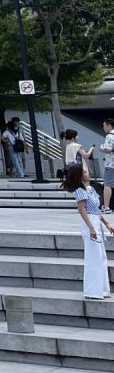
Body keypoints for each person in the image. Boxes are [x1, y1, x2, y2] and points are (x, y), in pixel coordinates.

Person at [63, 164, 114, 299]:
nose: (88, 173)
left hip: (96, 221)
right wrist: (91, 227)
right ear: (79, 176)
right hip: (90, 223)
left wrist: (106, 223)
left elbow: (96, 210)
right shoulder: (80, 191)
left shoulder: (90, 189)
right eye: (85, 172)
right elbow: (82, 210)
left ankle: (102, 290)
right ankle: (92, 291)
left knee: (101, 256)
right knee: (93, 257)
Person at [99, 119, 114, 213]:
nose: (103, 128)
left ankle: (106, 207)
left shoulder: (109, 136)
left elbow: (108, 149)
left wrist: (101, 148)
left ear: (109, 126)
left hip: (111, 163)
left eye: (104, 126)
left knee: (107, 184)